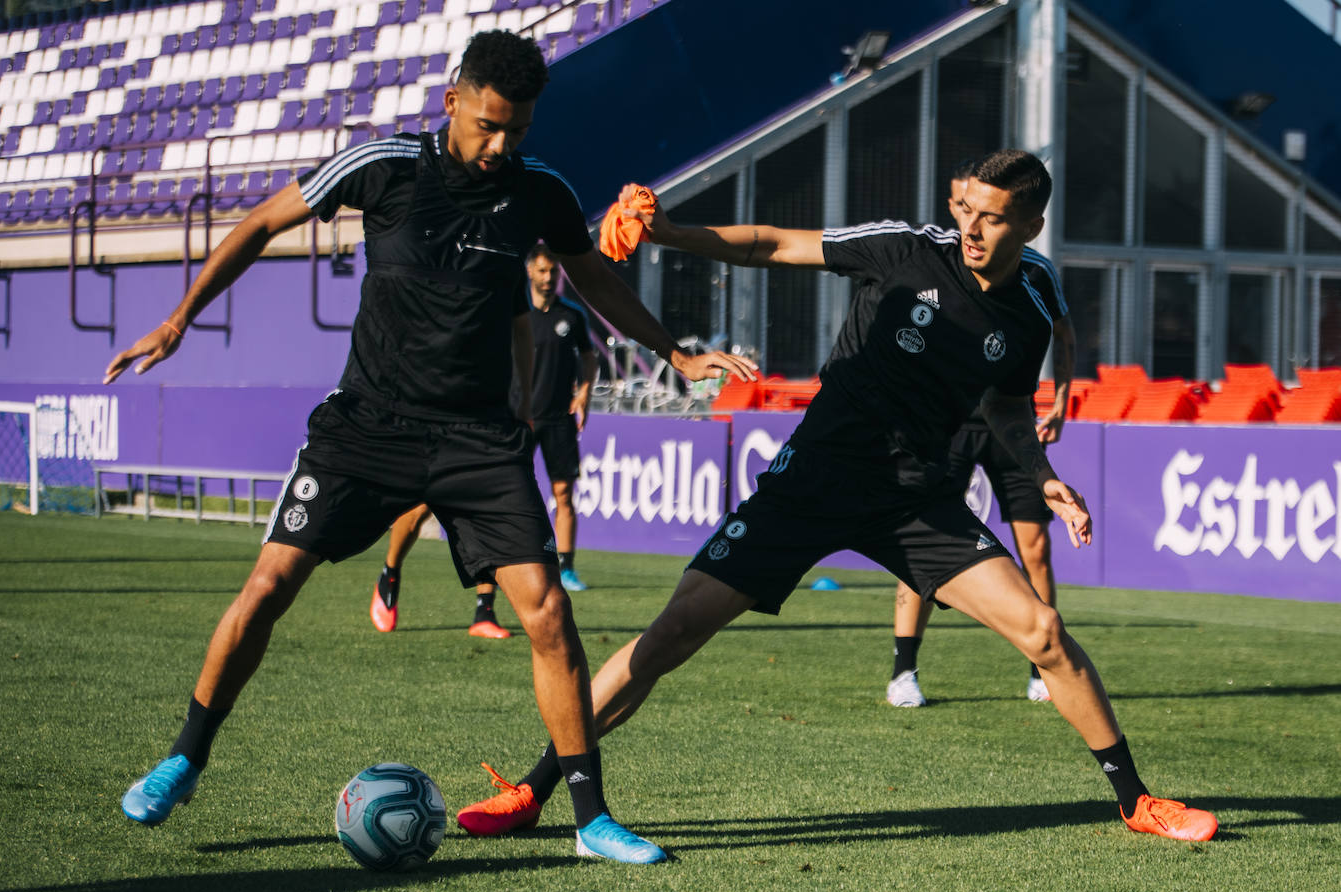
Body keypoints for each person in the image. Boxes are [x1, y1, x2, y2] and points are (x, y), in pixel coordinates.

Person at [103, 30, 756, 865]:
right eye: (489, 125)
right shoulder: (383, 165)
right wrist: (178, 318)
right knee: (267, 585)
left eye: (517, 130)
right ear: (453, 101)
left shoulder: (540, 191)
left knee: (549, 613)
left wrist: (673, 354)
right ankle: (185, 759)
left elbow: (592, 276)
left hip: (479, 440)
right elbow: (264, 222)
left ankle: (591, 820)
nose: (501, 146)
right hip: (365, 425)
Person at [456, 149, 1218, 844]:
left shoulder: (1034, 298)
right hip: (816, 480)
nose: (972, 228)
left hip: (918, 499)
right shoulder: (907, 249)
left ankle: (1136, 802)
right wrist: (672, 233)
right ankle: (535, 789)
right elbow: (773, 243)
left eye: (993, 217)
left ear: (1032, 225)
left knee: (1044, 630)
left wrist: (1042, 472)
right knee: (669, 637)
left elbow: (1010, 403)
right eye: (967, 210)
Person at [887, 161, 1077, 708]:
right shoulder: (936, 265)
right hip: (945, 426)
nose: (964, 217)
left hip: (1010, 421)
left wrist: (1061, 399)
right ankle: (904, 669)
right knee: (919, 544)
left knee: (1036, 547)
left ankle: (1042, 666)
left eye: (979, 210)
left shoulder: (1037, 273)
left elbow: (1063, 334)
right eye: (959, 205)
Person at [369, 243, 601, 636]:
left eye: (553, 271)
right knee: (426, 502)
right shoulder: (484, 303)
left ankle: (488, 610)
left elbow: (584, 356)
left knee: (526, 501)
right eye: (542, 270)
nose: (549, 277)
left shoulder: (558, 315)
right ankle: (390, 572)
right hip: (475, 416)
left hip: (531, 419)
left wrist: (580, 393)